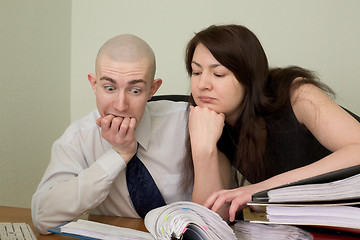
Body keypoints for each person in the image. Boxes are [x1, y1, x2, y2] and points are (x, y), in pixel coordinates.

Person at [184, 24, 360, 222]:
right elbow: (211, 219)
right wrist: (203, 149)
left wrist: (262, 188)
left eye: (218, 74)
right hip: (322, 222)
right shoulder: (213, 121)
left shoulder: (296, 93)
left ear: (249, 78)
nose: (202, 85)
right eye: (196, 72)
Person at [31, 34, 192, 234]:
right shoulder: (78, 137)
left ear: (152, 89)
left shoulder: (186, 122)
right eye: (109, 88)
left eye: (135, 90)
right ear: (94, 84)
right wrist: (118, 155)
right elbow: (43, 218)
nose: (120, 105)